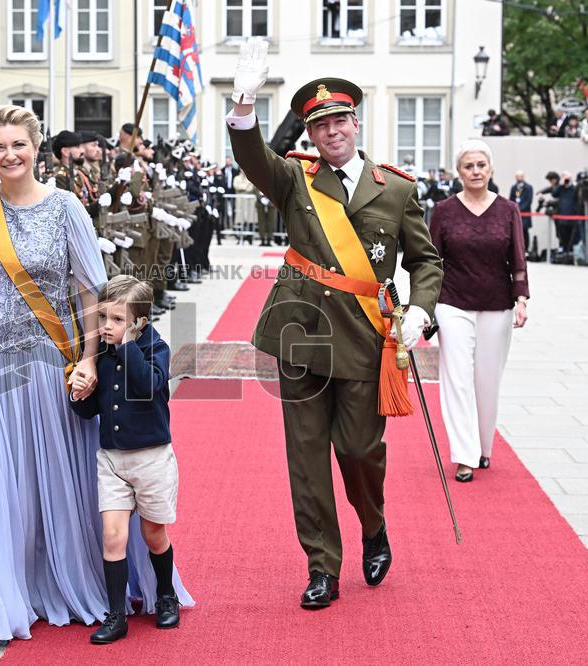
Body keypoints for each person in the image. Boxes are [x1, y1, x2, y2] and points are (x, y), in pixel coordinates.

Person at [0, 107, 190, 649]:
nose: (8, 156)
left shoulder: (65, 207)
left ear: (36, 148)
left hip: (51, 361)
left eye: (18, 145)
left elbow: (92, 291)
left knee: (53, 479)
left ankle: (67, 577)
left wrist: (89, 358)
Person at [227, 38, 443, 609]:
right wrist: (244, 104)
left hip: (366, 337)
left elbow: (425, 260)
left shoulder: (395, 188)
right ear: (310, 134)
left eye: (340, 120)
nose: (332, 132)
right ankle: (321, 564)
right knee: (306, 458)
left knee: (359, 451)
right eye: (320, 126)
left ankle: (373, 524)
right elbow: (252, 158)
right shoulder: (296, 179)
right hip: (300, 334)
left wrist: (420, 308)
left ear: (355, 122)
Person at [69, 275, 185, 644]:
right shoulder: (99, 355)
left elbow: (147, 386)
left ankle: (166, 594)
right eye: (104, 317)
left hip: (151, 459)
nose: (106, 326)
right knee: (113, 536)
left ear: (139, 322)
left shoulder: (156, 348)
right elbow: (88, 414)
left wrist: (130, 344)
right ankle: (116, 614)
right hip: (112, 460)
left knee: (153, 534)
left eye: (118, 320)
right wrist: (78, 391)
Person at [428, 140, 529, 483]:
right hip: (452, 302)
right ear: (458, 172)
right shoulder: (443, 211)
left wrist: (521, 299)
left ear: (490, 170)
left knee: (487, 381)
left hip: (497, 305)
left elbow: (517, 258)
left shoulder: (508, 210)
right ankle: (464, 455)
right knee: (457, 380)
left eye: (480, 165)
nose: (475, 171)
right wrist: (423, 303)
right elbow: (430, 261)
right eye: (468, 166)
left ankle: (484, 446)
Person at [509, 171, 533, 250]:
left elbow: (528, 201)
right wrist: (513, 208)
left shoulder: (528, 187)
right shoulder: (514, 187)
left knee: (524, 231)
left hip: (524, 213)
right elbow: (511, 199)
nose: (519, 178)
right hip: (515, 213)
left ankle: (526, 249)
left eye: (520, 176)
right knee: (515, 231)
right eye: (517, 176)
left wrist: (519, 209)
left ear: (523, 177)